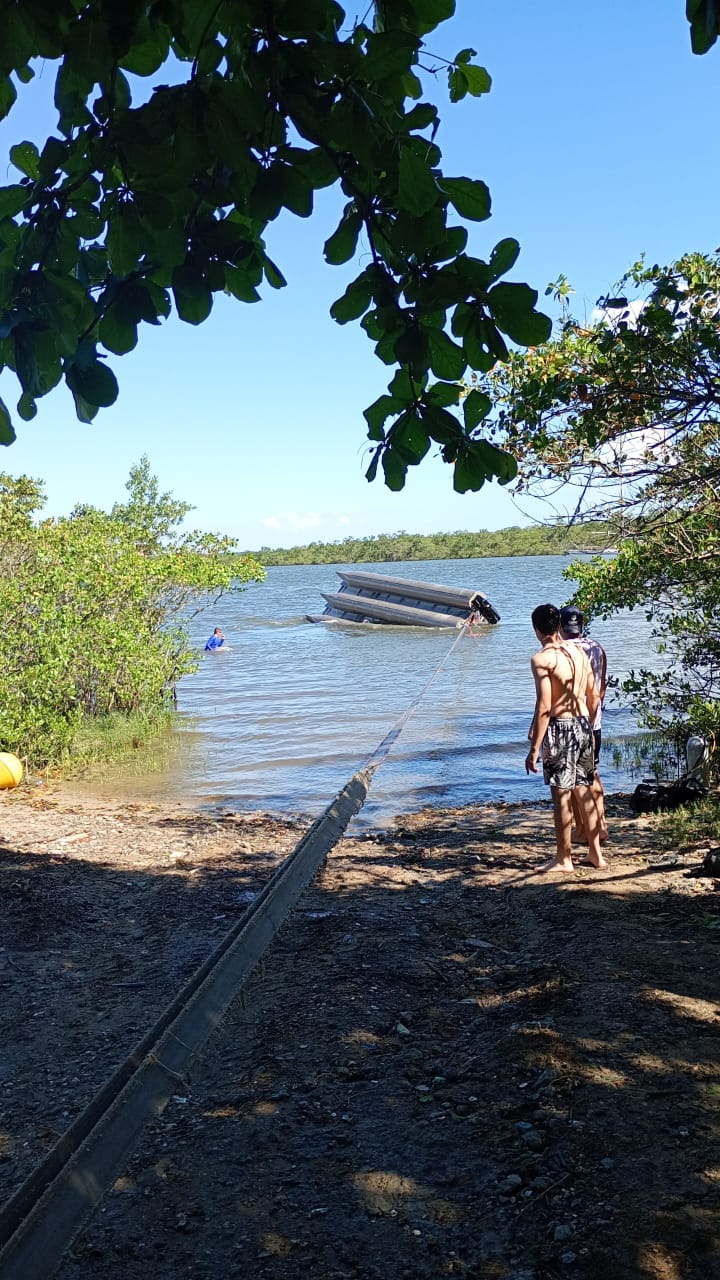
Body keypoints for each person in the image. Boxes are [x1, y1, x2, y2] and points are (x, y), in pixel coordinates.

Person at [525, 603, 606, 874]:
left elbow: (545, 706)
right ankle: (596, 853)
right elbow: (592, 694)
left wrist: (534, 747)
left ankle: (564, 858)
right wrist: (589, 723)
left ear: (537, 629)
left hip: (561, 727)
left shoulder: (542, 659)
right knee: (584, 789)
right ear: (558, 625)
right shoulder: (578, 652)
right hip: (583, 722)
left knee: (561, 794)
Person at [559, 605, 608, 845]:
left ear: (560, 626)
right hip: (594, 719)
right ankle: (601, 826)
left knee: (574, 781)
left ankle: (582, 830)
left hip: (573, 721)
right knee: (593, 772)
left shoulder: (563, 650)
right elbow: (601, 688)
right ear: (582, 624)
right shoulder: (597, 647)